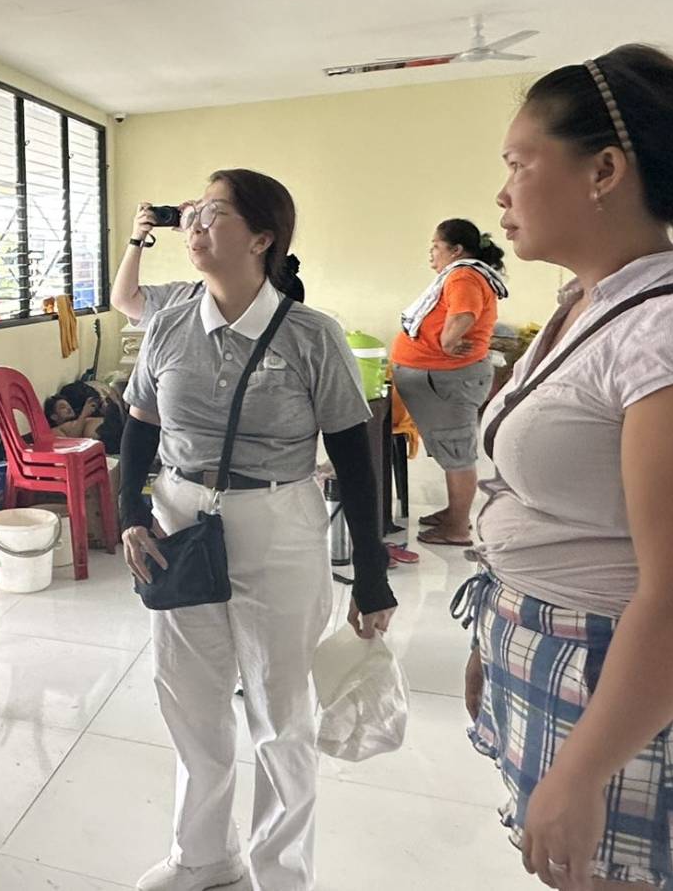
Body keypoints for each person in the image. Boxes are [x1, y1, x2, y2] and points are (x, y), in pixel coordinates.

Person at [459, 45, 673, 891]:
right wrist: (495, 630)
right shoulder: (585, 304)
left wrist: (582, 771)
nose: (501, 193)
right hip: (554, 652)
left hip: (633, 686)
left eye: (518, 162)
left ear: (604, 170)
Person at [117, 169, 396, 891]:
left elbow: (354, 460)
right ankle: (202, 858)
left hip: (277, 522)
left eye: (215, 212)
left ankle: (280, 873)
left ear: (263, 238)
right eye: (194, 211)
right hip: (179, 519)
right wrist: (128, 513)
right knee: (189, 695)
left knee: (279, 713)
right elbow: (140, 422)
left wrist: (370, 572)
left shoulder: (311, 334)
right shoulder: (170, 319)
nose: (195, 224)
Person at [390, 218, 508, 548]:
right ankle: (453, 512)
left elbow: (463, 314)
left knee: (457, 452)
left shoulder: (463, 274)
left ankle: (457, 528)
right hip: (440, 380)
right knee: (450, 447)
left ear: (456, 250)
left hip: (448, 379)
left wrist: (446, 341)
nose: (432, 253)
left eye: (436, 247)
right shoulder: (461, 274)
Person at [112, 201, 306, 328]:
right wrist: (137, 238)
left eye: (212, 215)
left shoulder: (276, 292)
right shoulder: (179, 299)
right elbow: (124, 300)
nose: (196, 228)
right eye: (191, 218)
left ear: (260, 241)